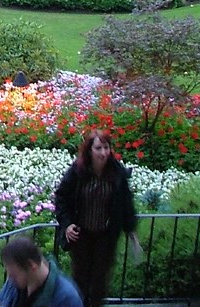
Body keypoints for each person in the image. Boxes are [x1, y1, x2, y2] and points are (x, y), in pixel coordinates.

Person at [53, 130, 138, 307]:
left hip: (105, 235)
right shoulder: (78, 171)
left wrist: (130, 230)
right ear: (89, 150)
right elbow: (61, 197)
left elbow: (125, 202)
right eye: (98, 148)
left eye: (106, 148)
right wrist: (67, 224)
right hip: (81, 234)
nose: (103, 153)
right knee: (81, 279)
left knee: (100, 280)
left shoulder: (116, 172)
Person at [0, 235, 82, 307]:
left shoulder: (66, 298)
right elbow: (0, 303)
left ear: (31, 265)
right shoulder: (14, 284)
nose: (10, 278)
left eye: (14, 275)